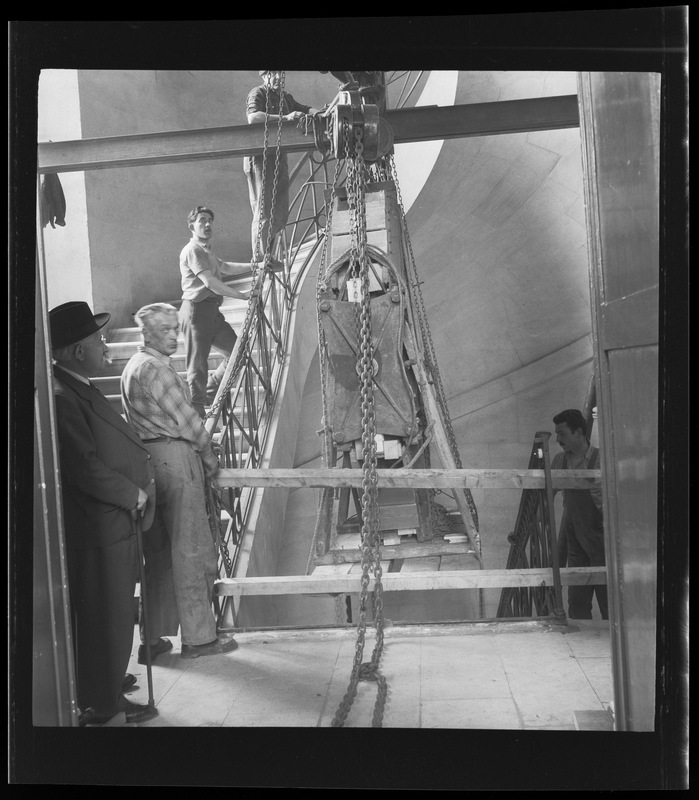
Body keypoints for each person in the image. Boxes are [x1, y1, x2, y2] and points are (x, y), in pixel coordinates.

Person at [49, 300, 159, 725]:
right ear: (78, 350)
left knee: (112, 614)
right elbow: (83, 466)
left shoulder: (77, 384)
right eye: (98, 340)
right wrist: (131, 492)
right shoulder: (63, 394)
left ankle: (107, 683)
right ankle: (104, 700)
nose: (106, 347)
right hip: (101, 525)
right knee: (106, 615)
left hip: (112, 523)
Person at [120, 302, 239, 659]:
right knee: (191, 548)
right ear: (146, 334)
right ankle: (200, 638)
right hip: (174, 459)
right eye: (165, 331)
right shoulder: (156, 369)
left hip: (150, 461)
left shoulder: (134, 366)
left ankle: (152, 639)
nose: (174, 336)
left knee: (158, 555)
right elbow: (189, 423)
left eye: (175, 328)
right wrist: (208, 455)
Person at [178, 205, 261, 418]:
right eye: (202, 220)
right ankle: (197, 414)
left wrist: (255, 265)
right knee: (197, 366)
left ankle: (211, 389)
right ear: (191, 226)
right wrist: (243, 296)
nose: (207, 224)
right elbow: (210, 282)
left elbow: (225, 267)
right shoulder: (193, 250)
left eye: (210, 221)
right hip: (196, 312)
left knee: (237, 354)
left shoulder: (205, 250)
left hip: (212, 312)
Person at [244, 71, 321, 260]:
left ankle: (271, 254)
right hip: (261, 156)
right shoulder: (258, 92)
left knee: (280, 206)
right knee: (264, 207)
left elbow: (304, 108)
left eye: (280, 72)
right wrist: (285, 118)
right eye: (272, 73)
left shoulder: (285, 98)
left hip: (278, 156)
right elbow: (253, 117)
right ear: (264, 76)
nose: (278, 76)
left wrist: (320, 113)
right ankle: (260, 259)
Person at [551, 408, 608, 620]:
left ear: (579, 433)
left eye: (562, 433)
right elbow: (544, 495)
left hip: (603, 541)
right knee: (577, 603)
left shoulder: (602, 459)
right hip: (576, 543)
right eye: (557, 434)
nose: (558, 439)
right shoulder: (559, 461)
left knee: (609, 601)